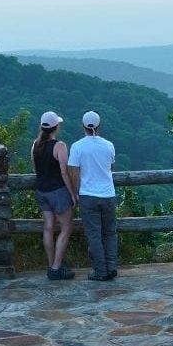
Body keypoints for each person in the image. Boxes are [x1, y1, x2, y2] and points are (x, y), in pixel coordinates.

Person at [67, 110, 118, 281]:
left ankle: (100, 270)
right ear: (99, 126)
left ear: (83, 126)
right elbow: (111, 166)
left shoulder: (77, 146)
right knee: (110, 233)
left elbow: (74, 172)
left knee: (94, 234)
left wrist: (75, 192)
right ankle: (111, 267)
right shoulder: (108, 145)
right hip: (108, 194)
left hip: (88, 195)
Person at [33, 111, 76, 280]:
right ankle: (57, 267)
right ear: (56, 127)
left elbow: (36, 170)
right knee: (66, 228)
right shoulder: (60, 146)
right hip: (57, 191)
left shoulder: (35, 145)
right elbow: (64, 172)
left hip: (41, 191)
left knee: (48, 228)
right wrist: (72, 194)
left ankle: (51, 266)